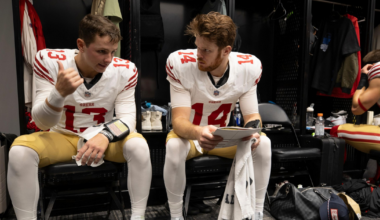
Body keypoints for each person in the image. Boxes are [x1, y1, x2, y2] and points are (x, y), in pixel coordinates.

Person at [7, 14, 152, 220]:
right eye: (101, 51)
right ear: (81, 45)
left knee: (139, 146)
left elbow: (128, 119)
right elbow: (41, 122)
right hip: (62, 136)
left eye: (112, 52)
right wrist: (58, 94)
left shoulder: (125, 70)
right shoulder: (49, 60)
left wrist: (106, 135)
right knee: (19, 151)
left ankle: (138, 217)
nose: (109, 59)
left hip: (104, 139)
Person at [164, 12, 271, 220]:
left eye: (206, 50)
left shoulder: (248, 68)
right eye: (197, 46)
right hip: (191, 137)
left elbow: (252, 116)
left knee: (264, 143)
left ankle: (257, 212)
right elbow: (178, 122)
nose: (198, 54)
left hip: (223, 137)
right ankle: (176, 216)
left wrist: (254, 132)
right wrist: (199, 131)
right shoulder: (180, 64)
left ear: (226, 51)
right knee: (174, 145)